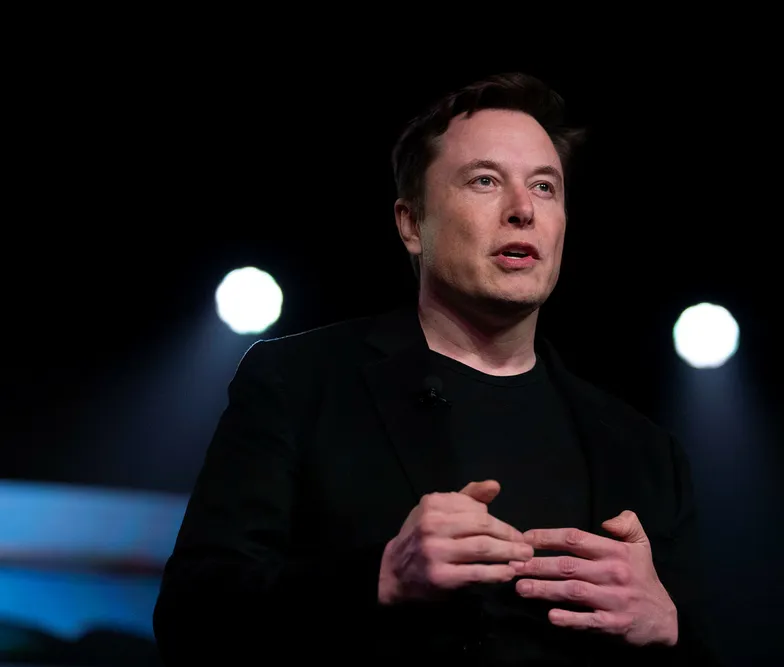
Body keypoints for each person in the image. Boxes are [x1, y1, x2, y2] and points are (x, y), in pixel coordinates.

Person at [153, 72, 720, 665]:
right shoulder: (298, 382)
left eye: (545, 187)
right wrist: (381, 576)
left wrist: (669, 629)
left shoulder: (643, 450)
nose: (523, 210)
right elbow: (193, 619)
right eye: (484, 181)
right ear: (410, 224)